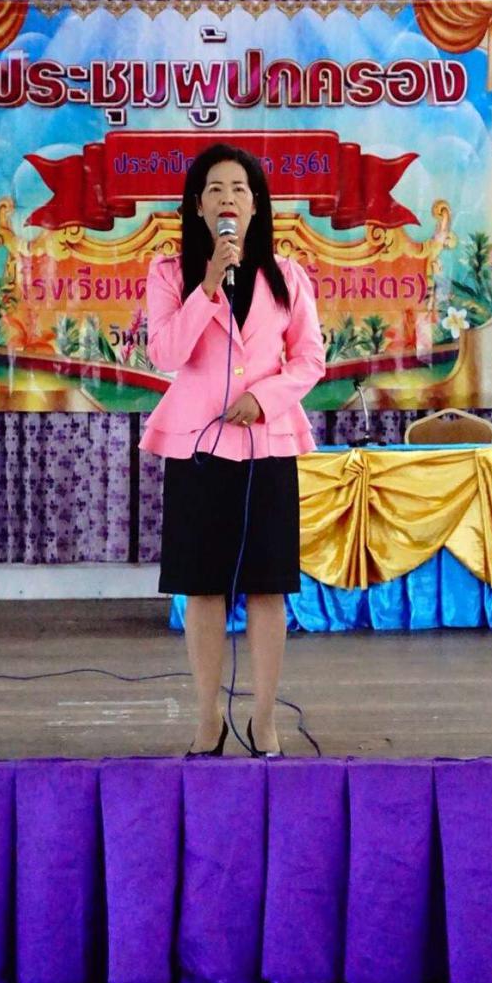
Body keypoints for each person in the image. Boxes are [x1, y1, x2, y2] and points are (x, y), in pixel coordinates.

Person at [141, 143, 325, 756]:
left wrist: (265, 398)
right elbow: (165, 354)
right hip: (198, 449)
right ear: (197, 206)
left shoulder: (287, 275)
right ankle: (207, 719)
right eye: (215, 189)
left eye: (240, 189)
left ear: (256, 205)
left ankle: (264, 718)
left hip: (267, 447)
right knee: (202, 587)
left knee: (268, 587)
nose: (228, 199)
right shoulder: (170, 274)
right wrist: (208, 286)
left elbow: (310, 360)